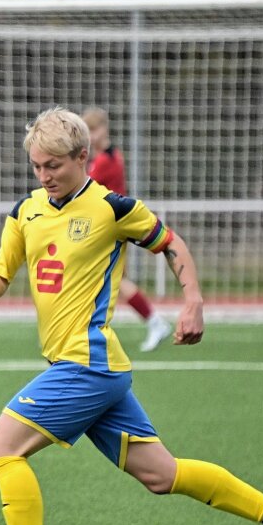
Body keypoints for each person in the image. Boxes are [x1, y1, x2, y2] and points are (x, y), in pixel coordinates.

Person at [0, 106, 263, 525]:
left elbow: (173, 245)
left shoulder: (112, 207)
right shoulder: (26, 211)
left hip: (86, 364)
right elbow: (3, 270)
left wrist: (192, 301)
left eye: (54, 166)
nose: (44, 176)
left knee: (2, 448)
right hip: (91, 370)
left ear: (83, 157)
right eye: (37, 166)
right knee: (161, 475)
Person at [81, 106, 172, 352]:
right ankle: (153, 322)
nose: (90, 135)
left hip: (108, 228)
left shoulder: (105, 161)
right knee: (110, 281)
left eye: (93, 129)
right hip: (107, 228)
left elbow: (85, 191)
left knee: (113, 280)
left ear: (104, 129)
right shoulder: (106, 158)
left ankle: (155, 322)